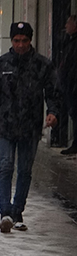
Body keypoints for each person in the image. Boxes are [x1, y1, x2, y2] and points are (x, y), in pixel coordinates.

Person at [0, 21, 61, 233]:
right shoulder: (0, 65)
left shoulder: (42, 65)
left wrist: (52, 112)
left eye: (24, 40)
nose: (20, 45)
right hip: (6, 127)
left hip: (30, 127)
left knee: (25, 171)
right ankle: (4, 212)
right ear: (11, 41)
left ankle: (17, 212)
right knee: (6, 167)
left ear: (30, 40)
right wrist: (0, 112)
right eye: (16, 41)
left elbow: (53, 91)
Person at [55, 15, 77, 155]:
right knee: (72, 113)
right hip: (69, 84)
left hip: (72, 85)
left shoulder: (73, 43)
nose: (66, 26)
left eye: (69, 23)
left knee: (74, 113)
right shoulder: (69, 42)